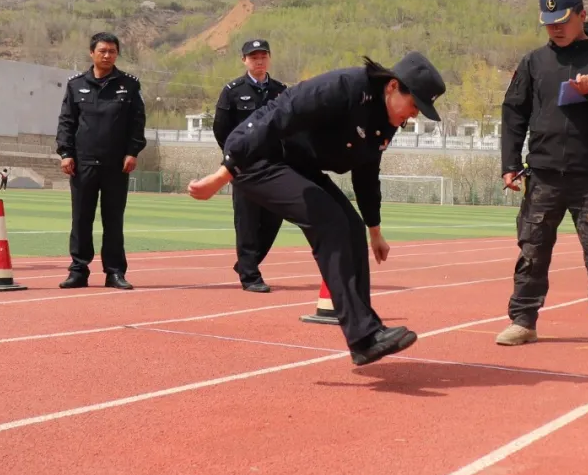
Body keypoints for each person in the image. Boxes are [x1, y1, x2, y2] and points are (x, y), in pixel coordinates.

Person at [186, 52, 446, 367]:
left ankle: (366, 337)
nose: (414, 115)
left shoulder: (386, 122)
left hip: (297, 164)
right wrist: (224, 174)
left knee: (350, 228)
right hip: (257, 157)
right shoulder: (343, 87)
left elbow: (366, 174)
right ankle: (363, 334)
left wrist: (374, 231)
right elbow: (279, 113)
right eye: (415, 105)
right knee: (330, 221)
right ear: (393, 86)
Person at [498, 0, 588, 354]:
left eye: (561, 20)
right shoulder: (533, 62)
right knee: (531, 250)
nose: (554, 28)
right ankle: (523, 320)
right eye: (548, 22)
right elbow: (514, 113)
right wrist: (509, 163)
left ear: (582, 16)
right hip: (542, 174)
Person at [55, 32, 147, 290]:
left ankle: (115, 272)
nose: (107, 55)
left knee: (113, 220)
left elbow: (137, 123)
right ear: (92, 53)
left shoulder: (129, 85)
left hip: (117, 164)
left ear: (117, 54)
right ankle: (78, 271)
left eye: (112, 51)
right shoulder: (75, 85)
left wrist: (133, 151)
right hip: (82, 163)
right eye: (103, 51)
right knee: (81, 219)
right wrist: (65, 153)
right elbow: (66, 122)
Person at [212, 39, 288, 293]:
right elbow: (221, 130)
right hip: (243, 167)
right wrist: (233, 160)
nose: (259, 61)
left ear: (269, 58)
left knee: (274, 218)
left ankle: (247, 262)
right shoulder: (232, 91)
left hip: (273, 165)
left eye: (263, 56)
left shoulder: (280, 90)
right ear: (244, 60)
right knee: (246, 220)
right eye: (253, 57)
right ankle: (250, 276)